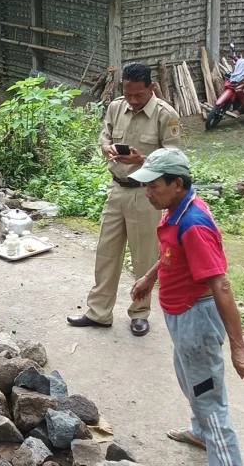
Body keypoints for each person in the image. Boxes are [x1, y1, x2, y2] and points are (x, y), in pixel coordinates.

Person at [128, 148, 244, 466]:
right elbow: (172, 252)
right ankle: (200, 433)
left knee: (209, 400)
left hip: (196, 320)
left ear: (177, 184)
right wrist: (149, 278)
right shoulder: (175, 208)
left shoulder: (194, 224)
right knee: (191, 381)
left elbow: (221, 286)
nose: (148, 193)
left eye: (153, 186)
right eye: (146, 186)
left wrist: (239, 348)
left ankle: (223, 453)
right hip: (181, 316)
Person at [68, 62, 182, 336]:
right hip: (116, 189)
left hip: (148, 195)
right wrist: (106, 147)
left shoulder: (166, 115)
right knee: (106, 252)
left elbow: (174, 159)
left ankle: (139, 313)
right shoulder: (116, 107)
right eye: (128, 93)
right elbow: (105, 135)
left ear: (151, 87)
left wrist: (143, 159)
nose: (132, 99)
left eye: (138, 95)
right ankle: (99, 312)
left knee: (144, 257)